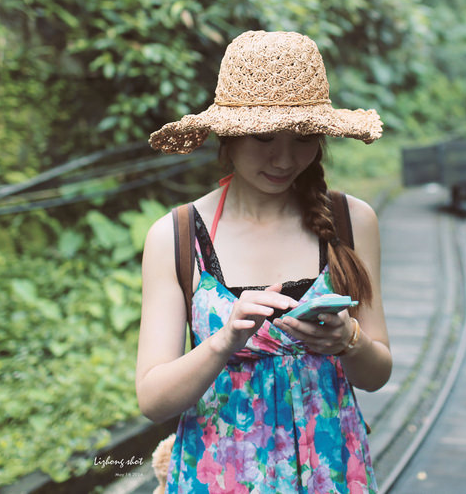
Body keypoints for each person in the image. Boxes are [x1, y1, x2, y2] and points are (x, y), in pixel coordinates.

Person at [136, 30, 392, 493]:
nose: (284, 157)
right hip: (218, 476)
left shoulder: (352, 221)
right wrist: (223, 341)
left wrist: (347, 339)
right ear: (227, 137)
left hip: (330, 473)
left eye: (302, 138)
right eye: (263, 137)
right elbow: (153, 399)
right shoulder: (176, 237)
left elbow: (377, 374)